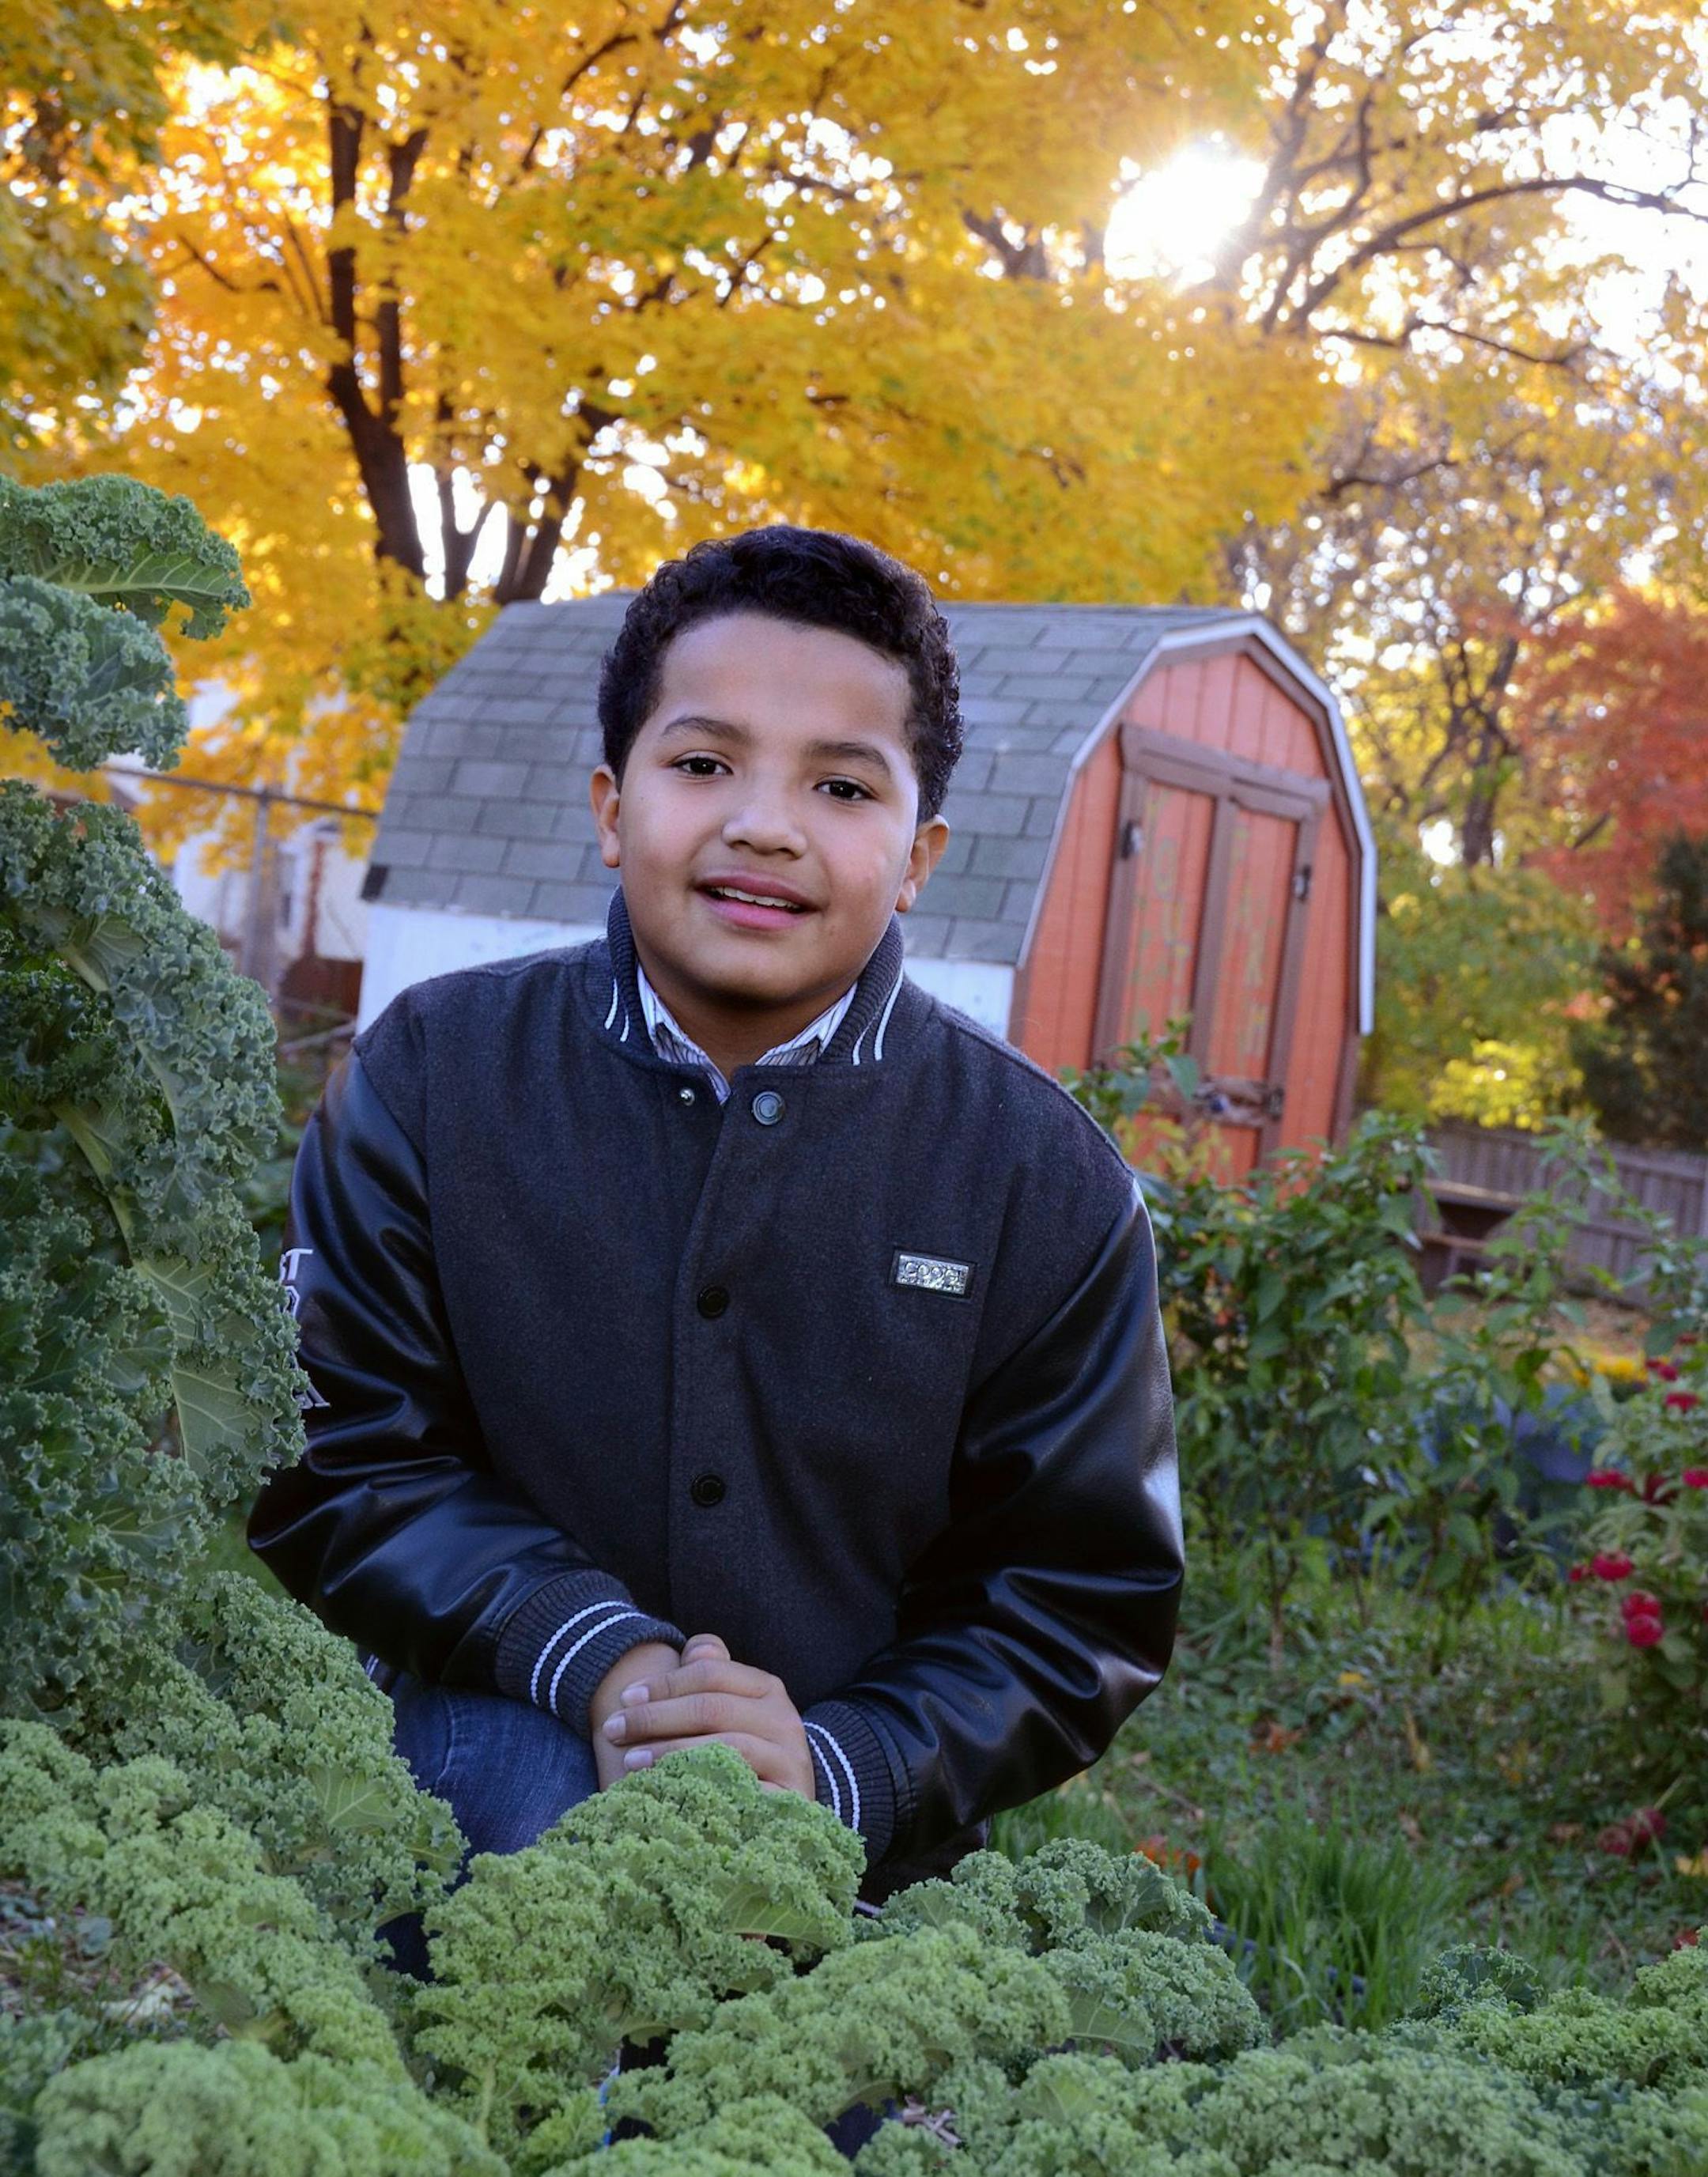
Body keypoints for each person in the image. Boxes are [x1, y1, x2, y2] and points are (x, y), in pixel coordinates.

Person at [249, 523, 1183, 1922]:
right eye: (703, 764)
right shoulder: (432, 1075)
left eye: (841, 784)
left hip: (854, 1836)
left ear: (919, 852)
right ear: (613, 805)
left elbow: (1079, 1596)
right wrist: (602, 1660)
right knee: (539, 1866)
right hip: (477, 1754)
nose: (765, 821)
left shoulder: (1042, 1180)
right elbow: (328, 1446)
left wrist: (834, 1761)